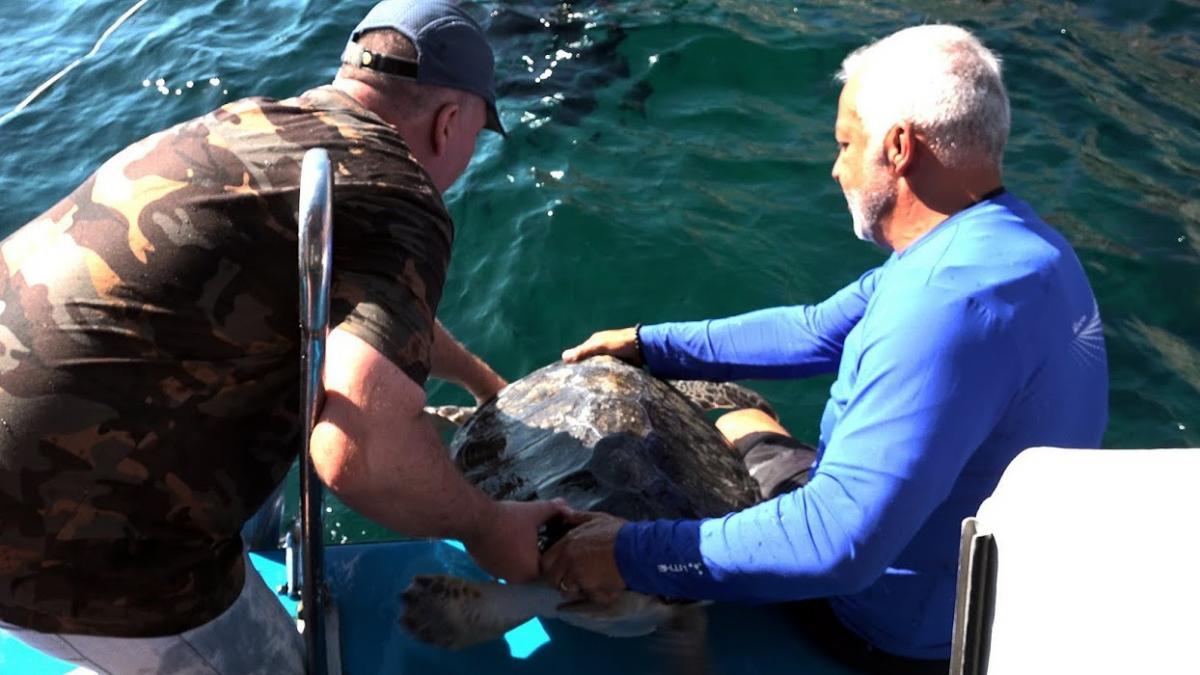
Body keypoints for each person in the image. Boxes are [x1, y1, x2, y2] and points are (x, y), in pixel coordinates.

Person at [0, 1, 563, 672]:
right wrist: (488, 526)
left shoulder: (250, 124)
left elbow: (372, 318)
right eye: (476, 133)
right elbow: (360, 454)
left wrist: (480, 381)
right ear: (448, 123)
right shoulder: (399, 193)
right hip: (54, 543)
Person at [542, 24, 1108, 673]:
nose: (836, 168)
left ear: (898, 147)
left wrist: (628, 554)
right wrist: (652, 344)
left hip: (886, 627)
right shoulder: (1021, 249)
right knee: (741, 418)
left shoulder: (945, 305)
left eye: (845, 143)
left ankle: (685, 625)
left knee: (670, 484)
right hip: (978, 580)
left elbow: (836, 546)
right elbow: (815, 330)